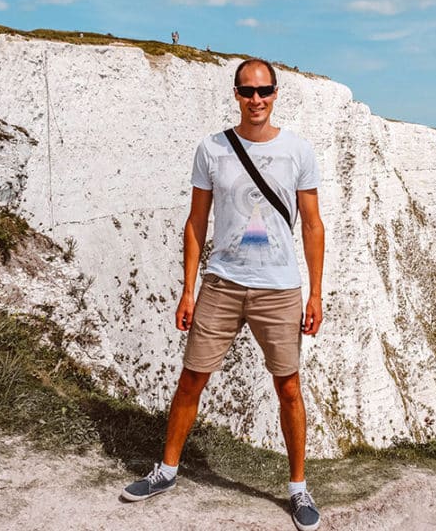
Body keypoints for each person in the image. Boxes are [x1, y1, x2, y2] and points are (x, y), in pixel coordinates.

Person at [121, 58, 325, 531]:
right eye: (247, 91)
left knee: (289, 387)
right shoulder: (212, 149)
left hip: (279, 287)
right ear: (235, 94)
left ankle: (298, 489)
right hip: (222, 282)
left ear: (276, 94)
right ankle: (166, 471)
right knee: (192, 378)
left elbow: (313, 225)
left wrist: (315, 294)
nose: (256, 100)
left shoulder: (299, 150)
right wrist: (187, 290)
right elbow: (196, 223)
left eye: (264, 91)